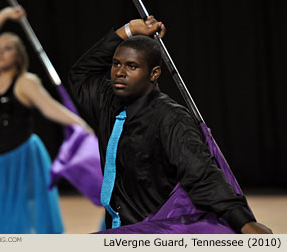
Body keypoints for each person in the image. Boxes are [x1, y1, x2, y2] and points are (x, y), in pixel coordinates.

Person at [67, 16, 272, 234]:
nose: (119, 72)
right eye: (116, 64)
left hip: (159, 231)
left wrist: (244, 222)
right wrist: (127, 31)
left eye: (132, 66)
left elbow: (201, 173)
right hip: (120, 230)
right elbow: (81, 74)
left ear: (154, 73)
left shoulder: (171, 118)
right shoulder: (108, 102)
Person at [0, 6, 91, 234]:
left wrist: (80, 124)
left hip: (22, 156)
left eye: (7, 49)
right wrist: (5, 15)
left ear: (18, 54)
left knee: (24, 209)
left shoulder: (26, 82)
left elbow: (50, 108)